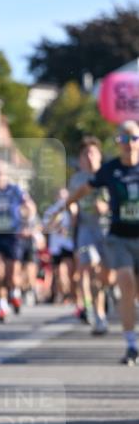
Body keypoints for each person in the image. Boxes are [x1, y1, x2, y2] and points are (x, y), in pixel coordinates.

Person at [66, 120, 139, 365]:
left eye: (134, 139)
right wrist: (62, 210)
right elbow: (80, 192)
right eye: (125, 139)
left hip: (115, 229)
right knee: (122, 281)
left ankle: (110, 302)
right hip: (113, 236)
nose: (130, 144)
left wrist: (104, 206)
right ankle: (130, 343)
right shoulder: (109, 170)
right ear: (118, 143)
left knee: (122, 286)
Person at [68, 136, 110, 334]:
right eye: (86, 154)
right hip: (86, 230)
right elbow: (71, 201)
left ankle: (110, 292)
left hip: (109, 229)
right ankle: (99, 315)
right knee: (91, 269)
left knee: (107, 276)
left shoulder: (110, 174)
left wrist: (107, 206)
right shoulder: (76, 180)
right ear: (81, 159)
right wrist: (73, 210)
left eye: (93, 152)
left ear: (100, 156)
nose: (90, 157)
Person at [0, 160, 36, 322]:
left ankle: (15, 293)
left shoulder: (15, 190)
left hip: (13, 235)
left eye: (0, 172)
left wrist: (27, 223)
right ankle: (2, 306)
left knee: (12, 274)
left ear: (6, 174)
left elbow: (30, 207)